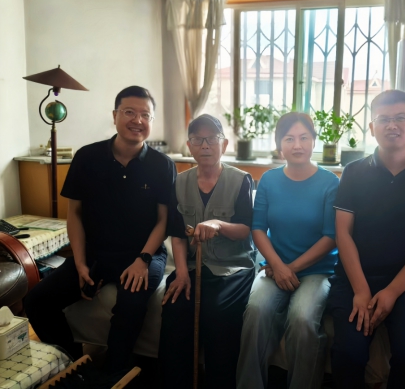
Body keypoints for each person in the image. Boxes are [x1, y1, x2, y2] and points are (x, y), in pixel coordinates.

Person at [24, 86, 176, 373]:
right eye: (129, 112)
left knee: (130, 306)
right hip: (96, 253)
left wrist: (143, 260)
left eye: (145, 115)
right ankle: (72, 365)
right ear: (115, 115)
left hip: (143, 254)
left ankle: (113, 374)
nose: (138, 120)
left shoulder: (162, 166)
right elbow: (74, 213)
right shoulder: (87, 157)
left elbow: (163, 221)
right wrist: (80, 262)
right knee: (36, 301)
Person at [327, 90, 405, 389]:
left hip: (404, 282)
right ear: (372, 127)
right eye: (383, 119)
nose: (392, 125)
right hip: (354, 277)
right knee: (348, 355)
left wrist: (392, 291)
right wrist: (361, 290)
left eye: (400, 118)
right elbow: (343, 233)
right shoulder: (354, 172)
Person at [237, 112, 339, 389]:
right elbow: (258, 228)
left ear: (314, 141)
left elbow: (331, 237)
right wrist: (277, 265)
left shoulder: (330, 182)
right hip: (274, 266)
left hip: (317, 271)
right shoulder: (268, 180)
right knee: (256, 310)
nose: (297, 145)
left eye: (304, 138)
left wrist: (288, 269)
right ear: (279, 144)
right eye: (289, 138)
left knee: (302, 318)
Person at [159, 114, 256, 389]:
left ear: (223, 145)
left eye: (212, 139)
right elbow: (178, 235)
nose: (205, 145)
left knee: (218, 313)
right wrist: (180, 272)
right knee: (175, 308)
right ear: (189, 146)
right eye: (198, 139)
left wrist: (218, 224)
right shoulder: (179, 182)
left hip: (232, 267)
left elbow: (246, 230)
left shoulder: (240, 180)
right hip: (191, 266)